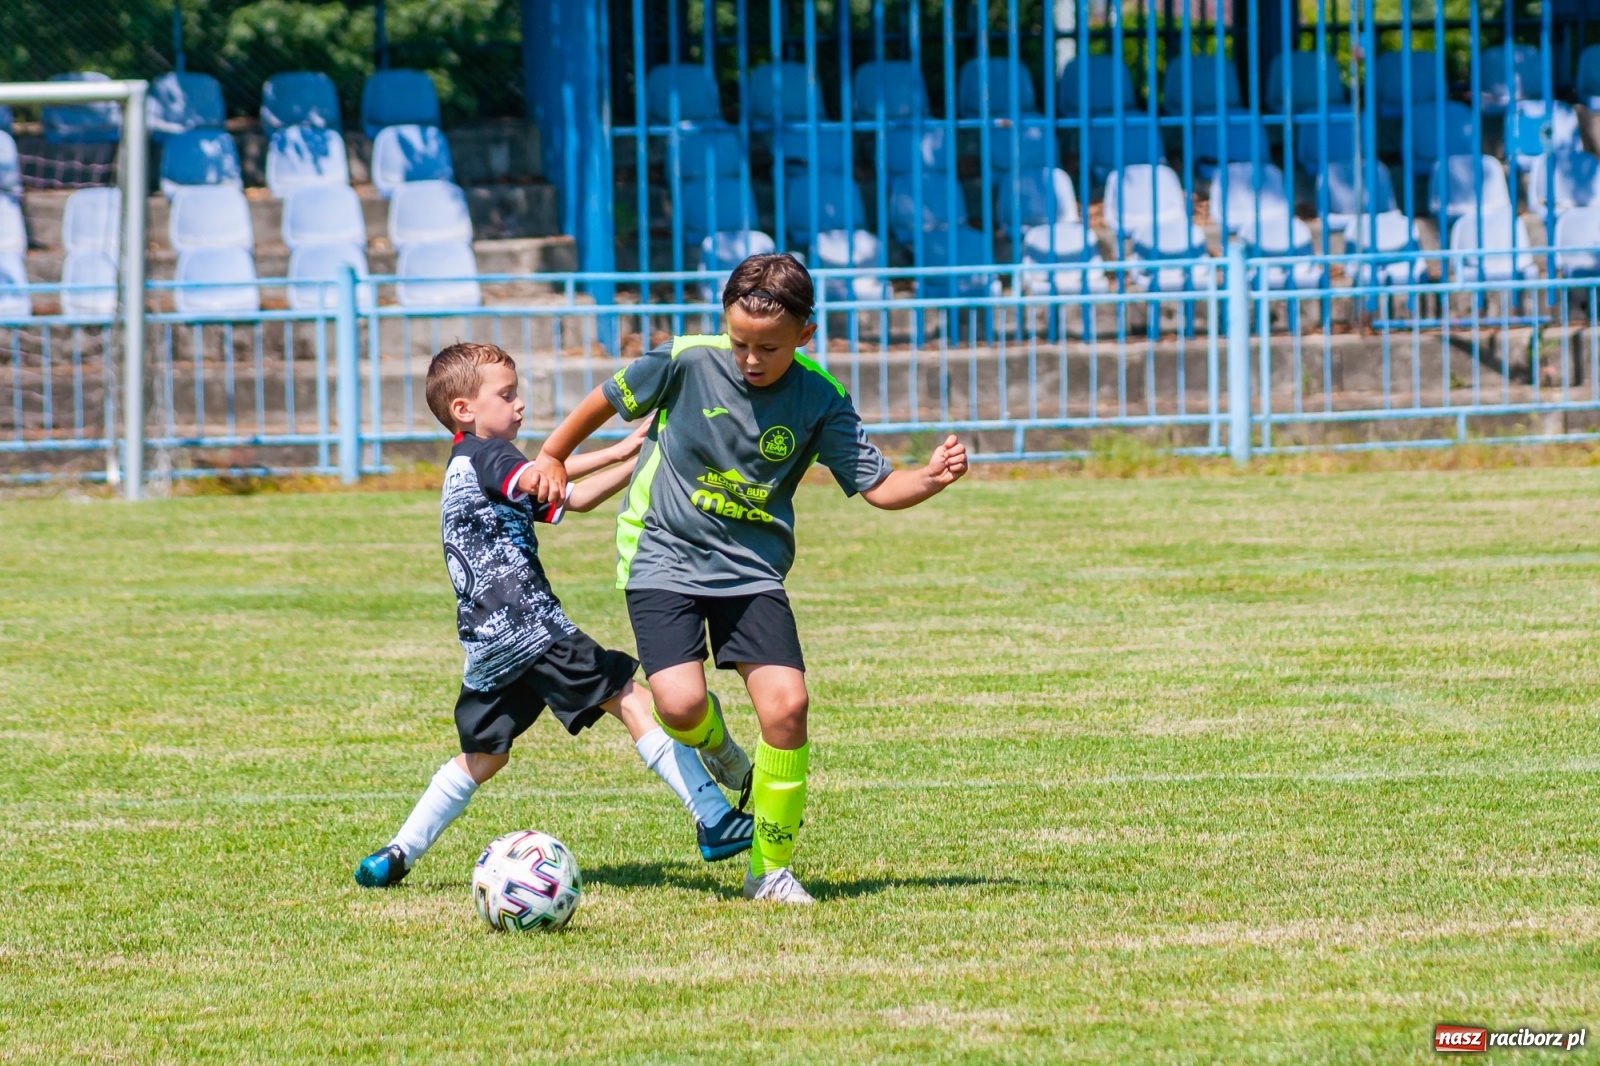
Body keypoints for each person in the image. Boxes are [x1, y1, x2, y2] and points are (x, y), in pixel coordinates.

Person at [525, 254, 968, 903]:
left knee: (788, 708)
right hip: (662, 553)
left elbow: (877, 486)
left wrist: (928, 478)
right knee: (678, 706)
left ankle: (769, 870)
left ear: (805, 336)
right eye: (740, 342)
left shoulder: (819, 397)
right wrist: (552, 455)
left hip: (751, 570)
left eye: (769, 347)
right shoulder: (685, 359)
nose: (751, 359)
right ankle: (729, 758)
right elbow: (605, 400)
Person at [354, 342, 754, 888]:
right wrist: (582, 457)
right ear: (464, 410)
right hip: (530, 627)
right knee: (632, 698)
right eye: (507, 395)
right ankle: (714, 819)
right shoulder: (489, 457)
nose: (520, 405)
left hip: (488, 642)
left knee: (482, 757)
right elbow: (541, 476)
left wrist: (630, 453)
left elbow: (575, 497)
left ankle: (397, 853)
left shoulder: (469, 465)